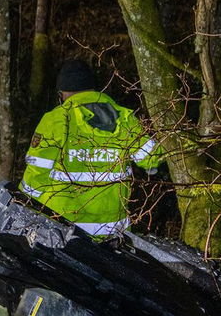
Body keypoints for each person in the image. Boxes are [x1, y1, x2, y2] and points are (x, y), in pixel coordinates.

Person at [17, 59, 162, 238]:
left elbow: (37, 172)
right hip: (113, 227)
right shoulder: (123, 118)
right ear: (94, 88)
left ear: (61, 93)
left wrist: (23, 204)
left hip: (63, 226)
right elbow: (151, 158)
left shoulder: (57, 119)